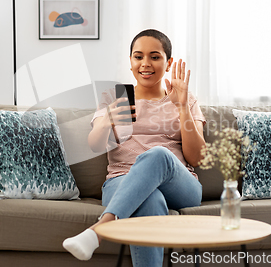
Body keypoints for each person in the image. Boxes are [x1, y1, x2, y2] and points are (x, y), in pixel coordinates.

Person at [63, 29, 206, 266]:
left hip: (180, 185)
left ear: (168, 63)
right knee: (150, 200)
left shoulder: (185, 98)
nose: (145, 64)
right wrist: (107, 120)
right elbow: (95, 145)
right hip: (122, 180)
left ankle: (99, 230)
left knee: (159, 154)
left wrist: (182, 108)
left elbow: (197, 158)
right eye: (138, 57)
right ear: (130, 62)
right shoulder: (114, 98)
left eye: (155, 57)